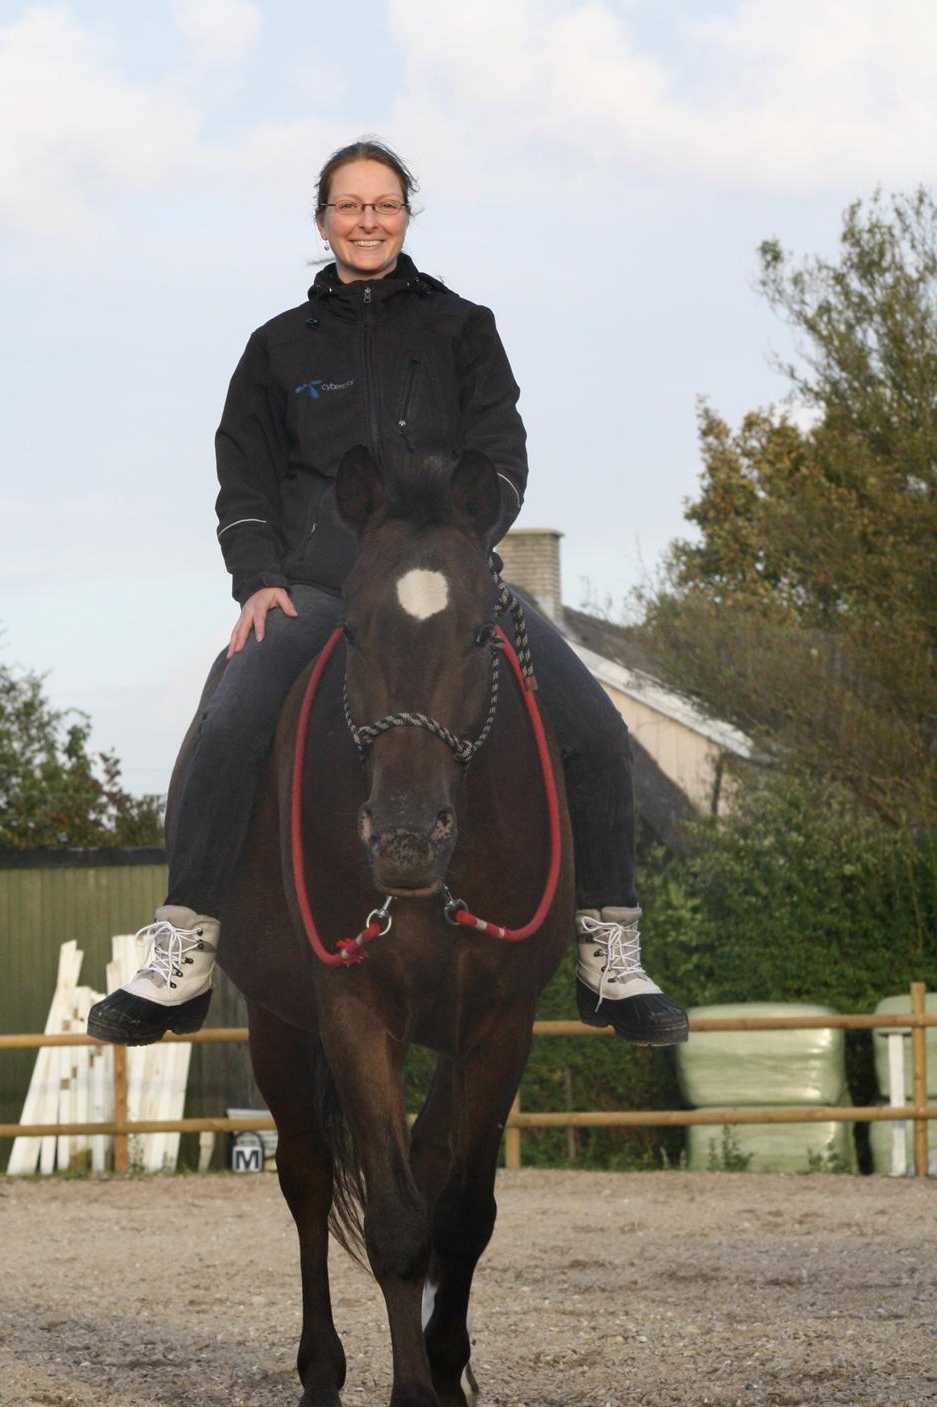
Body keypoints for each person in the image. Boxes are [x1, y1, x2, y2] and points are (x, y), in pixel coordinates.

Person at [88, 139, 687, 1049]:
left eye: (384, 204)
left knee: (597, 733)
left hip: (453, 592)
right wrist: (257, 582)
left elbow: (502, 457)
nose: (367, 220)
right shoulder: (275, 349)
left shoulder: (464, 328)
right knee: (225, 722)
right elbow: (243, 480)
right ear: (322, 218)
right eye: (349, 205)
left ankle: (609, 953)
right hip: (321, 593)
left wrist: (460, 551)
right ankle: (185, 947)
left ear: (406, 216)